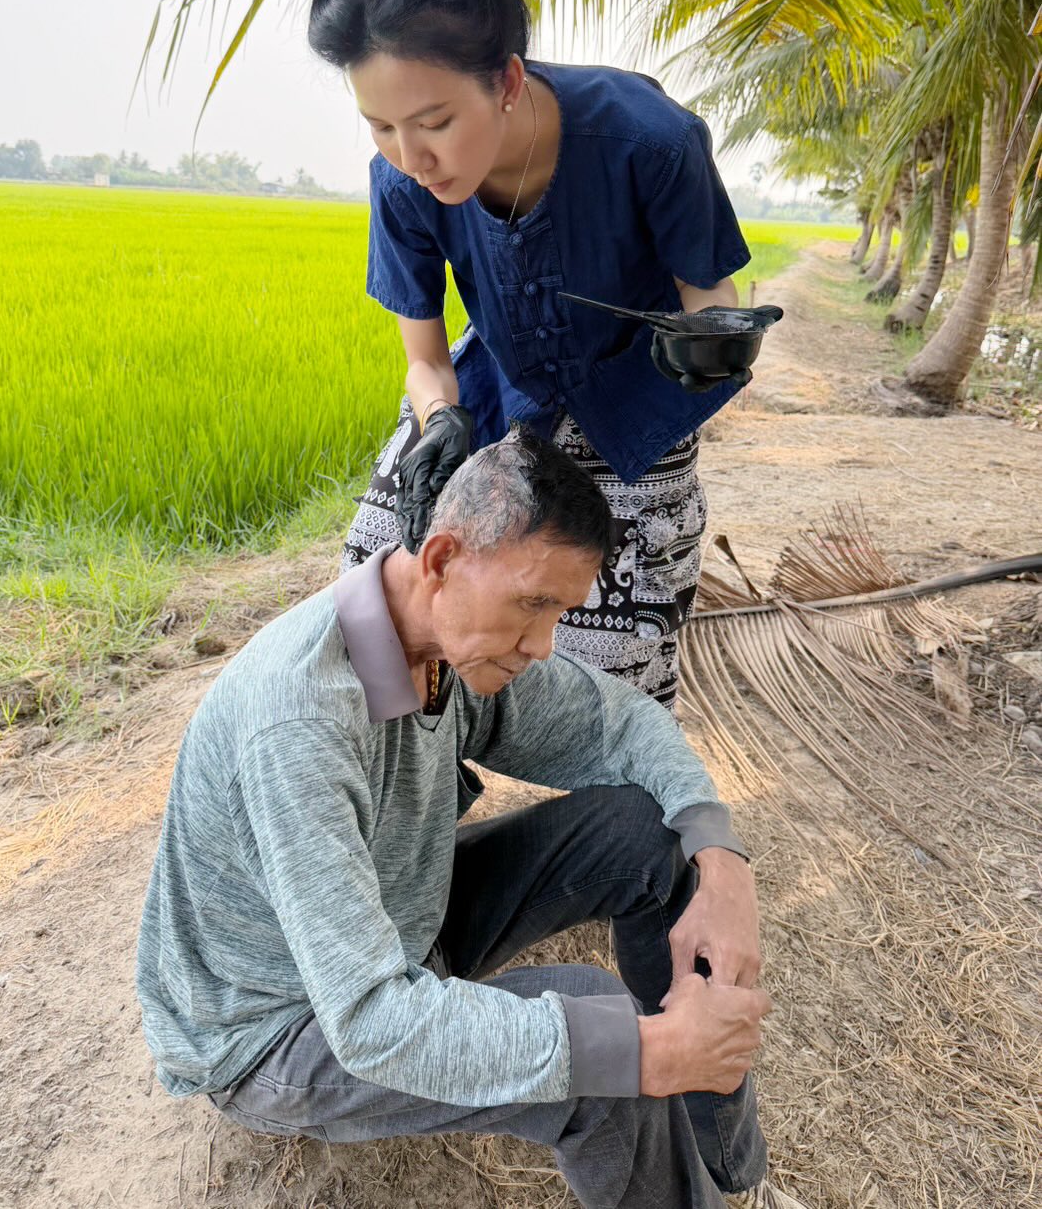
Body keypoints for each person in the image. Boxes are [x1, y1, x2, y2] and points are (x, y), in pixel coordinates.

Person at [136, 431, 807, 1209]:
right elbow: (371, 1017)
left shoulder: (446, 644)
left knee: (649, 831)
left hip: (400, 925)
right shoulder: (300, 724)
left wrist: (724, 863)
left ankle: (728, 1176)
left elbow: (616, 724)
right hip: (281, 1025)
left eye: (559, 610)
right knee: (605, 1051)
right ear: (443, 558)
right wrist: (644, 1049)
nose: (544, 642)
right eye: (533, 603)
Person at [307, 0, 754, 709]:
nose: (413, 158)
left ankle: (629, 812)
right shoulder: (402, 183)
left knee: (621, 642)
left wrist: (708, 354)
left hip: (639, 398)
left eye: (436, 122)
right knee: (381, 587)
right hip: (494, 385)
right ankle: (415, 782)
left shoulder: (650, 141)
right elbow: (426, 360)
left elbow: (713, 299)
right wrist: (440, 423)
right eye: (381, 127)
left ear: (508, 82)